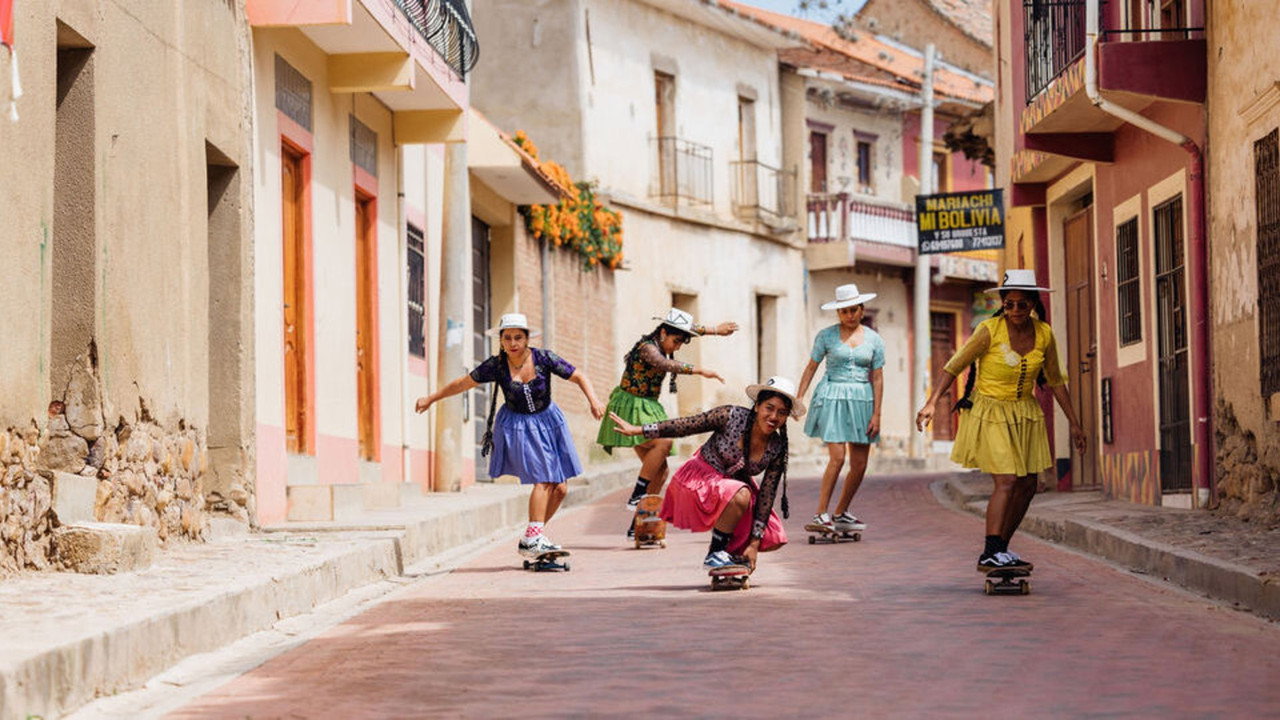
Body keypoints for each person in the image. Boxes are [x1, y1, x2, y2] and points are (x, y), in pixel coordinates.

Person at [914, 270, 1087, 572]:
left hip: (1025, 413)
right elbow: (953, 367)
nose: (1016, 311)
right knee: (1006, 480)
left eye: (1023, 304)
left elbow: (1057, 380)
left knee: (1029, 484)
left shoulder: (1044, 334)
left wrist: (1074, 422)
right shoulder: (988, 330)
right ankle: (990, 550)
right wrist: (931, 403)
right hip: (990, 412)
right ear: (1003, 304)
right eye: (1010, 304)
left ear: (1033, 303)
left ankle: (1000, 549)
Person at [415, 313, 605, 558]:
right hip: (518, 426)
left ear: (527, 339)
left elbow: (579, 376)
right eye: (507, 338)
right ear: (501, 341)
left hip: (548, 421)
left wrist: (594, 401)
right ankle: (534, 538)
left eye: (518, 337)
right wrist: (431, 398)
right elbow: (463, 383)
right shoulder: (496, 365)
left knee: (560, 488)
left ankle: (532, 537)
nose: (513, 342)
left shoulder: (544, 358)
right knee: (544, 479)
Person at [607, 376, 803, 572]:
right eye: (769, 408)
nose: (774, 417)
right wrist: (641, 429)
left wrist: (753, 544)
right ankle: (715, 553)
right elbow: (687, 425)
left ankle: (731, 553)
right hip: (700, 478)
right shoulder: (730, 415)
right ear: (758, 405)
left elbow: (767, 495)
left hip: (732, 490)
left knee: (773, 536)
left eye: (782, 412)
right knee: (740, 493)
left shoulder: (777, 446)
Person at [596, 308, 737, 531]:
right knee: (663, 442)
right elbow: (665, 364)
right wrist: (700, 371)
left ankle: (640, 523)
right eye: (676, 341)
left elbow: (692, 328)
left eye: (682, 343)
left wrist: (716, 331)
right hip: (630, 404)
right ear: (663, 333)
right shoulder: (647, 348)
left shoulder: (664, 340)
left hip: (649, 405)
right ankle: (637, 495)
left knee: (661, 471)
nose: (678, 347)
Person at [797, 283, 885, 536]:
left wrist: (877, 414)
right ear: (838, 313)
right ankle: (820, 513)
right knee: (837, 457)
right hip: (832, 395)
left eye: (853, 310)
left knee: (859, 464)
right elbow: (811, 367)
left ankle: (841, 512)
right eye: (844, 311)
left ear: (861, 309)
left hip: (863, 400)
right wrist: (799, 397)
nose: (849, 315)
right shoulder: (825, 336)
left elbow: (878, 378)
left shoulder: (874, 339)